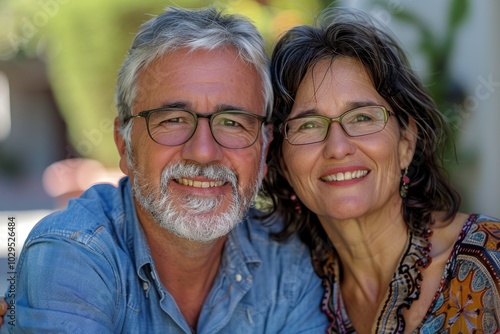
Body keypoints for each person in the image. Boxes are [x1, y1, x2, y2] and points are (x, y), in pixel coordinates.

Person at [1, 6, 327, 333]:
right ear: (124, 145)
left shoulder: (287, 262)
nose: (203, 153)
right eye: (172, 120)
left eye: (232, 122)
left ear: (265, 147)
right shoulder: (72, 254)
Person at [262, 8, 500, 334]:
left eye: (362, 118)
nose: (338, 147)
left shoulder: (492, 260)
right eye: (309, 125)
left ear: (406, 143)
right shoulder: (290, 300)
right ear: (282, 163)